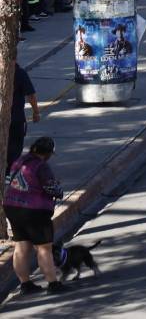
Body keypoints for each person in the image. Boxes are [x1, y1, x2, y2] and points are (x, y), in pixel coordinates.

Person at [5, 137, 66, 295]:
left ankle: (25, 284)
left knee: (21, 246)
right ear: (48, 154)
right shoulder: (42, 166)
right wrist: (59, 190)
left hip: (12, 207)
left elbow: (9, 181)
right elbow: (52, 189)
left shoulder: (19, 161)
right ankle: (53, 284)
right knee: (44, 247)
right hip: (35, 211)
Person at [6, 64, 39, 171]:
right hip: (16, 118)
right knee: (15, 147)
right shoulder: (19, 73)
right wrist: (36, 112)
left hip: (10, 118)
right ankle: (10, 172)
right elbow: (31, 95)